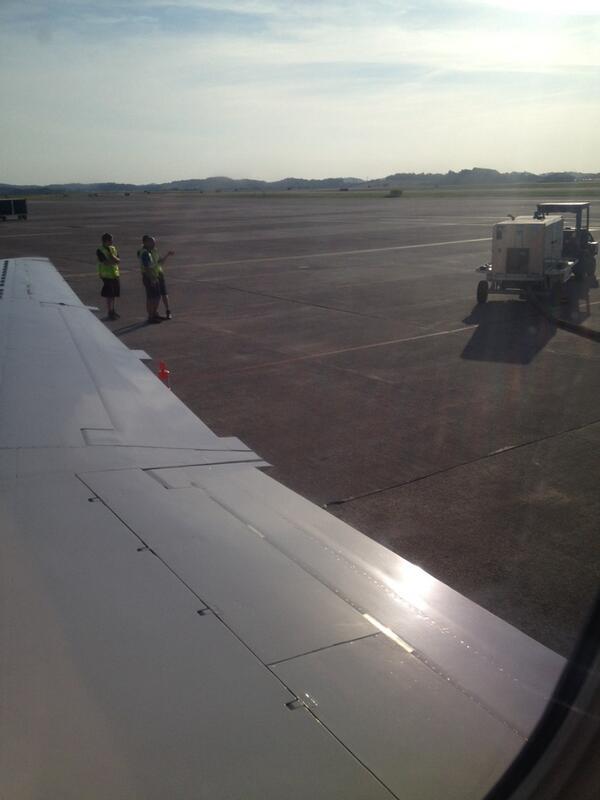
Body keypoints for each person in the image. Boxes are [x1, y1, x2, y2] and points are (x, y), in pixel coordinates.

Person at [137, 235, 175, 322]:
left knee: (156, 296)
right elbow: (146, 268)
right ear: (146, 243)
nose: (154, 243)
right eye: (152, 242)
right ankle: (151, 316)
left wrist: (167, 255)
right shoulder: (145, 253)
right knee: (151, 297)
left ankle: (154, 314)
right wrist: (152, 278)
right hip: (150, 277)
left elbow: (159, 262)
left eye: (154, 242)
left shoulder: (153, 251)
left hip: (155, 275)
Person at [96, 232, 121, 320]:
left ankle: (113, 310)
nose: (112, 242)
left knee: (114, 294)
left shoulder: (113, 248)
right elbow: (105, 263)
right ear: (105, 241)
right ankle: (109, 311)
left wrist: (112, 258)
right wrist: (113, 260)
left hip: (114, 274)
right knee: (109, 294)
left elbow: (118, 260)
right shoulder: (100, 250)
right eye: (110, 241)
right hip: (106, 275)